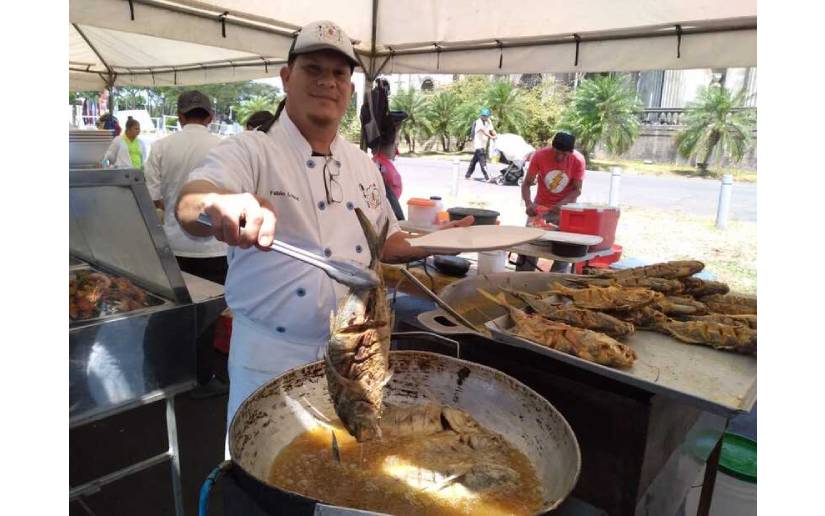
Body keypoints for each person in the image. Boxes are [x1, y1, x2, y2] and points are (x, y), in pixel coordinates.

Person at [174, 20, 473, 429]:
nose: (327, 82)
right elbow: (192, 203)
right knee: (264, 477)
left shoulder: (363, 165)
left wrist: (436, 243)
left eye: (338, 74)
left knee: (348, 463)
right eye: (312, 69)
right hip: (270, 356)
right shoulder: (252, 150)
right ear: (286, 77)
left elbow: (386, 243)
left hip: (355, 358)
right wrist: (217, 204)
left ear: (349, 89)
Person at [144, 90, 227, 284]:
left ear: (180, 116)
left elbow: (153, 197)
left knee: (181, 308)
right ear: (210, 117)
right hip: (215, 249)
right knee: (215, 307)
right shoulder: (225, 147)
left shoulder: (160, 147)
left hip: (175, 246)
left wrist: (174, 207)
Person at [516, 131, 585, 273]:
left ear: (570, 152)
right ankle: (521, 279)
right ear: (552, 148)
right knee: (529, 247)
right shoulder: (540, 155)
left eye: (564, 154)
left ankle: (554, 282)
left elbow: (577, 190)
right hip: (540, 206)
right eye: (557, 152)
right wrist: (529, 204)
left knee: (563, 252)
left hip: (565, 210)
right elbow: (527, 183)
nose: (560, 157)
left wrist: (561, 204)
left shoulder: (578, 160)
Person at [465, 107, 497, 181]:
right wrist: (492, 137)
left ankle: (467, 175)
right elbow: (483, 131)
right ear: (481, 115)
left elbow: (492, 130)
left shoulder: (487, 122)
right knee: (483, 162)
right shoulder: (478, 122)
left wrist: (496, 135)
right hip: (479, 145)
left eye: (486, 116)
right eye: (484, 116)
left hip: (482, 145)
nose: (485, 117)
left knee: (474, 161)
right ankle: (487, 177)